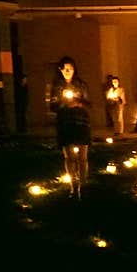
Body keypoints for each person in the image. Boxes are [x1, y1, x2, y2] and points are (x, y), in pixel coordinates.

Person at [49, 56, 91, 198]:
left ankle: (84, 186)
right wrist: (63, 104)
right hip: (65, 124)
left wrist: (78, 102)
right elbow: (52, 106)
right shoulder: (57, 87)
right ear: (60, 70)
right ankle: (73, 187)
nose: (68, 71)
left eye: (71, 68)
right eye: (65, 69)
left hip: (81, 123)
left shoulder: (81, 85)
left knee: (82, 158)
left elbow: (88, 103)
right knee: (69, 157)